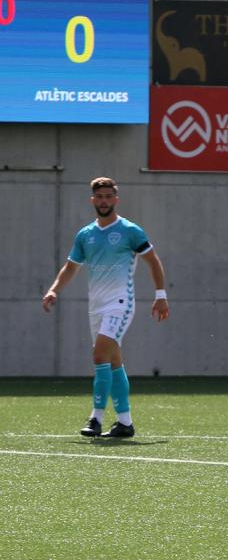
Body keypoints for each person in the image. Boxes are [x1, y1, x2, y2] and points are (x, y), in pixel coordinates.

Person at [42, 177, 169, 438]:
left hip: (121, 304)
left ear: (116, 199)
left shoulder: (130, 230)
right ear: (93, 200)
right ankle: (125, 423)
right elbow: (71, 267)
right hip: (96, 307)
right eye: (99, 197)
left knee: (99, 354)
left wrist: (161, 294)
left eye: (108, 196)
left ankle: (96, 419)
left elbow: (152, 260)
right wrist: (54, 289)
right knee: (112, 362)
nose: (104, 201)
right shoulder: (85, 235)